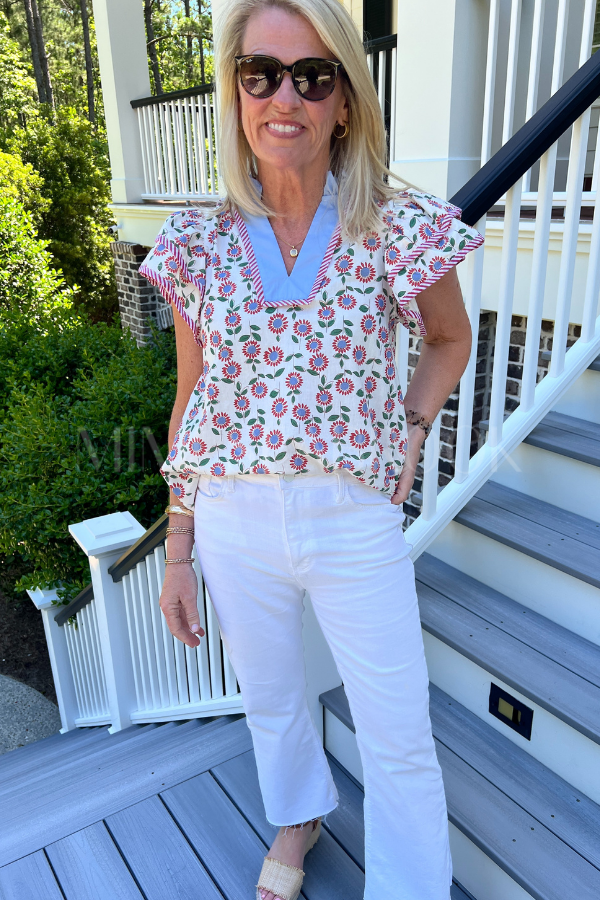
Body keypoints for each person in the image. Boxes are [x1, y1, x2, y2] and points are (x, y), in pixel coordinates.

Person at [140, 1, 483, 897]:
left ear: (345, 100)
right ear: (235, 92)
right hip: (231, 516)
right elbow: (192, 399)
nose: (283, 97)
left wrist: (412, 429)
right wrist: (178, 545)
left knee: (397, 728)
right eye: (260, 73)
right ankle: (298, 817)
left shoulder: (396, 225)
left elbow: (450, 338)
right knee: (271, 697)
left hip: (352, 516)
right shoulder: (195, 241)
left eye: (312, 75)